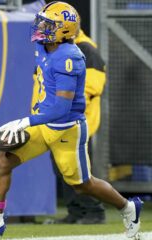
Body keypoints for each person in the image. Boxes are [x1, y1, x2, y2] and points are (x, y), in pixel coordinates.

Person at [0, 2, 143, 239]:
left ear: (64, 30)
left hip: (66, 129)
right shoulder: (45, 47)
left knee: (81, 185)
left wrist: (25, 121)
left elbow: (61, 109)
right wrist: (32, 117)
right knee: (2, 163)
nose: (41, 26)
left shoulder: (70, 57)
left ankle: (128, 208)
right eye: (42, 21)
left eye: (48, 24)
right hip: (43, 125)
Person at [40, 29, 107, 224]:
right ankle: (76, 212)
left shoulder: (86, 49)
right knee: (62, 168)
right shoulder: (56, 49)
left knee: (78, 170)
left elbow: (92, 87)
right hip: (56, 119)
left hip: (74, 121)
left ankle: (94, 211)